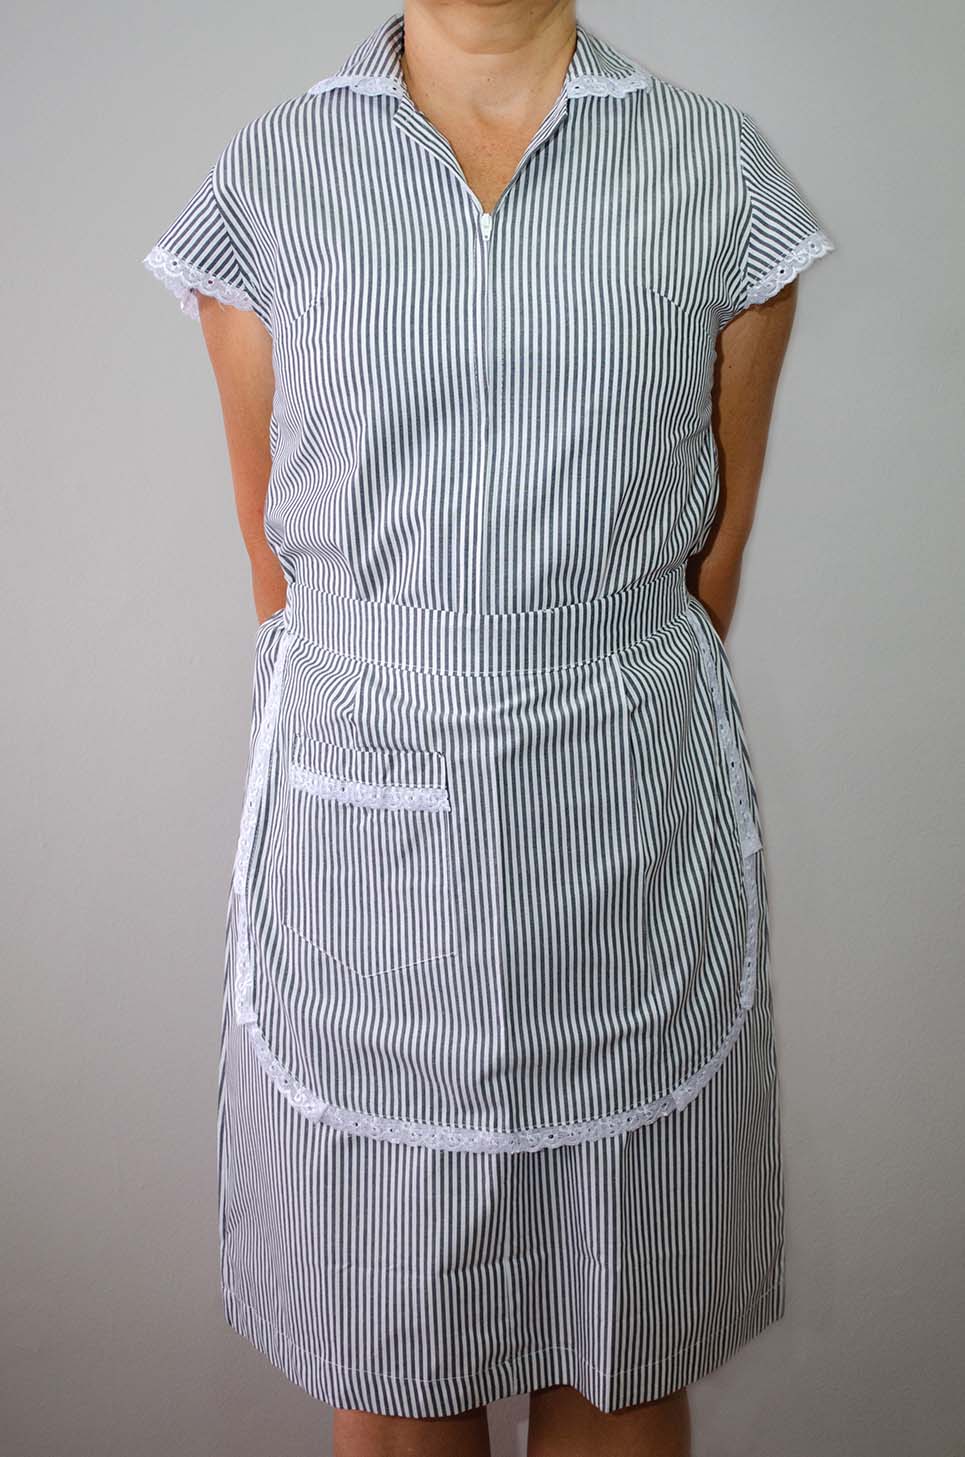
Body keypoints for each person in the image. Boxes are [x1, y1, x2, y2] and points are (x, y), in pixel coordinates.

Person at [141, 5, 835, 1454]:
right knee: (392, 1374)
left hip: (625, 847)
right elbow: (282, 572)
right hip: (362, 868)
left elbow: (705, 561)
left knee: (622, 1354)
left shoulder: (718, 174)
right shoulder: (271, 179)